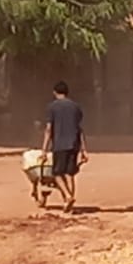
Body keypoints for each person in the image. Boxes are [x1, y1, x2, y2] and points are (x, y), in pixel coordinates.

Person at [40, 81, 87, 212]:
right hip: (74, 144)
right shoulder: (76, 107)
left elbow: (49, 130)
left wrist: (44, 150)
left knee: (57, 173)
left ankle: (67, 196)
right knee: (69, 173)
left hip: (60, 145)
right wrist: (84, 149)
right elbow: (79, 129)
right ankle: (70, 202)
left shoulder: (52, 107)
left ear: (55, 92)